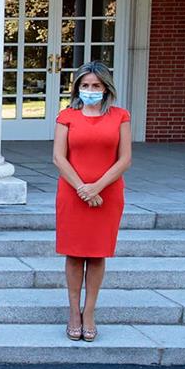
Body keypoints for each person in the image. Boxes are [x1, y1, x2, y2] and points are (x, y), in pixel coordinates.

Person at [53, 61, 132, 343]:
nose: (90, 90)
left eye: (96, 86)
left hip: (107, 195)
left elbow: (124, 159)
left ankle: (90, 312)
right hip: (73, 194)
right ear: (77, 88)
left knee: (97, 254)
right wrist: (82, 189)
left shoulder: (120, 116)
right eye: (85, 85)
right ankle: (73, 312)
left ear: (106, 88)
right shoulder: (67, 116)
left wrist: (97, 187)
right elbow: (58, 158)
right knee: (74, 254)